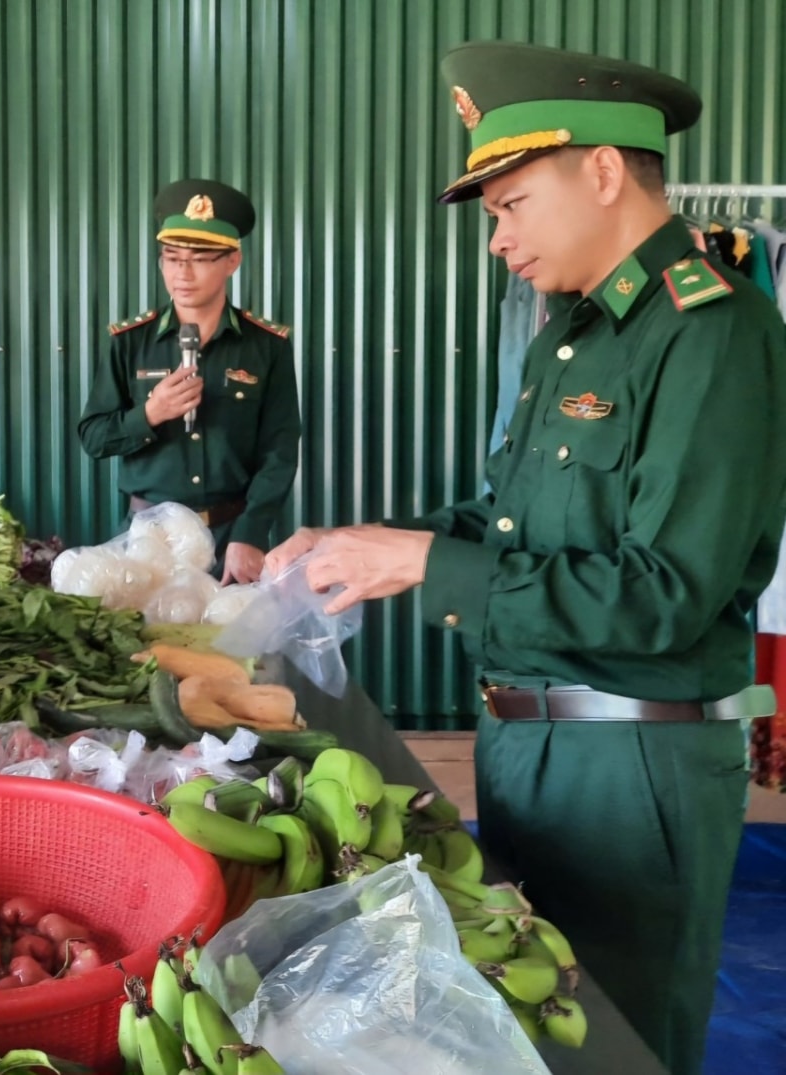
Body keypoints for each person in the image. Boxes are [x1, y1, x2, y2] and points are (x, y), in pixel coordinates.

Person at [265, 42, 786, 1075]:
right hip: (527, 745)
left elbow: (663, 597)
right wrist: (360, 546)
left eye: (512, 203)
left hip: (632, 765)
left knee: (621, 1041)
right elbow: (512, 519)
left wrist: (424, 564)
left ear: (602, 171)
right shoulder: (581, 335)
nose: (498, 238)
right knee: (537, 1033)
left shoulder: (709, 333)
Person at [78, 179, 300, 584]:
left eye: (199, 258)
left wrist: (251, 533)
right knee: (145, 647)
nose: (182, 272)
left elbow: (279, 451)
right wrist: (150, 413)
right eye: (171, 257)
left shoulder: (266, 346)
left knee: (230, 646)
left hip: (232, 538)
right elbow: (94, 437)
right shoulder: (130, 342)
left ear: (232, 260)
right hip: (148, 540)